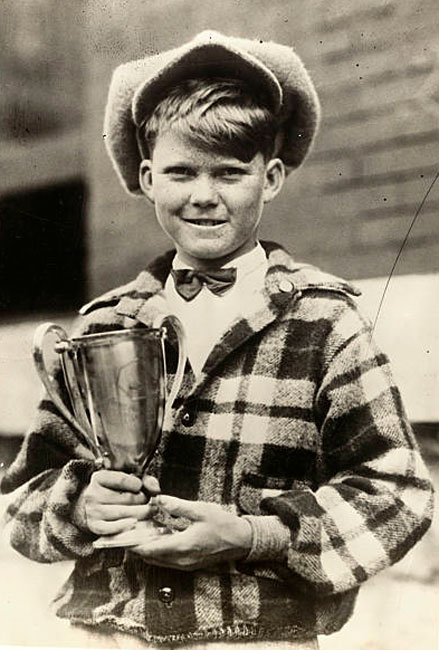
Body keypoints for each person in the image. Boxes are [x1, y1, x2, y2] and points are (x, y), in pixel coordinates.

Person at [1, 30, 434, 650]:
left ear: (272, 177)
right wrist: (81, 508)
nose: (204, 195)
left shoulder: (325, 323)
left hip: (255, 637)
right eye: (181, 172)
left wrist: (256, 535)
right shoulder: (105, 324)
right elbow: (22, 497)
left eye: (230, 172)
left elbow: (397, 492)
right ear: (148, 178)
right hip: (106, 633)